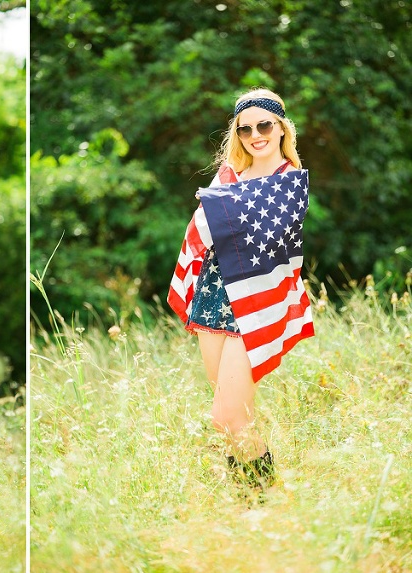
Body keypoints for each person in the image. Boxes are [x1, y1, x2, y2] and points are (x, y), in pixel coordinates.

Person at [168, 88, 313, 492]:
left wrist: (222, 207)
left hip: (254, 306)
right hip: (213, 295)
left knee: (225, 415)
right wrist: (221, 207)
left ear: (281, 128)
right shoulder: (228, 175)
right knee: (237, 416)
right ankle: (255, 504)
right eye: (245, 128)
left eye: (264, 124)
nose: (256, 134)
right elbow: (204, 229)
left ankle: (263, 497)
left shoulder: (291, 182)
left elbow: (260, 239)